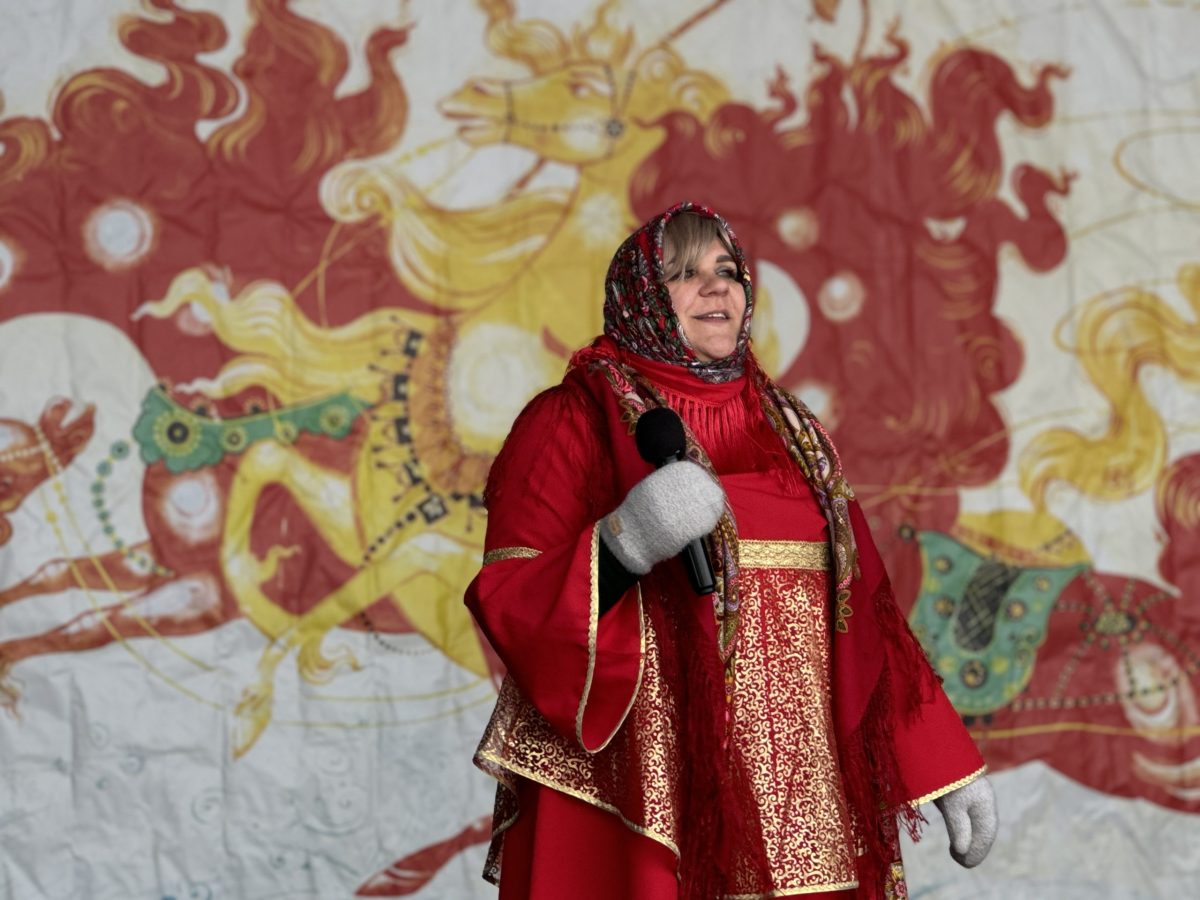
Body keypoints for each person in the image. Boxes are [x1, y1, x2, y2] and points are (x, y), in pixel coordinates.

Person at [464, 202, 997, 900]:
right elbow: (511, 597)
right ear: (641, 297)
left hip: (805, 801)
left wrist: (944, 764)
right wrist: (626, 543)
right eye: (684, 274)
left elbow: (869, 618)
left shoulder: (796, 433)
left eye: (728, 271)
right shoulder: (572, 419)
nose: (716, 286)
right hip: (649, 793)